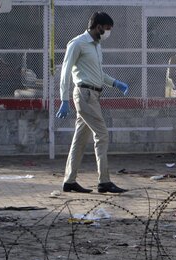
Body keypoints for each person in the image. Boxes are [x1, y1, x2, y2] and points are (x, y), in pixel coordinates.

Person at [56, 11, 128, 194]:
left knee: (79, 140)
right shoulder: (78, 43)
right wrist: (63, 99)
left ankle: (69, 181)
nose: (108, 33)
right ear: (98, 27)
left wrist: (115, 83)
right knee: (102, 134)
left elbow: (98, 74)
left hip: (93, 95)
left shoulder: (96, 46)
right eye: (107, 29)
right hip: (84, 94)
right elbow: (65, 71)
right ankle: (104, 181)